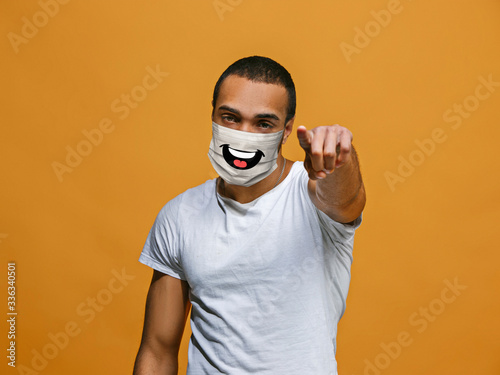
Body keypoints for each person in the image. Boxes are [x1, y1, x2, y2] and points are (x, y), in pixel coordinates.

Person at [133, 56, 366, 375]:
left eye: (263, 123)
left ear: (285, 132)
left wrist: (340, 158)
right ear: (213, 116)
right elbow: (158, 351)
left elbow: (347, 200)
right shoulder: (179, 216)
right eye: (230, 117)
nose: (244, 134)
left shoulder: (313, 194)